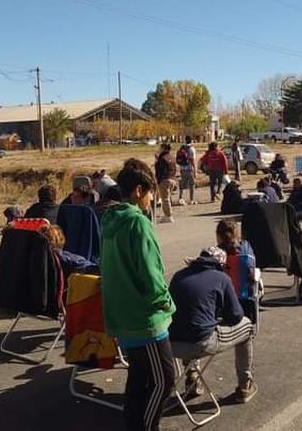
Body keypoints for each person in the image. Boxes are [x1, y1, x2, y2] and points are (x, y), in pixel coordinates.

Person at [100, 158, 176, 431]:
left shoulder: (108, 219)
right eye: (151, 192)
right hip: (145, 319)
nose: (153, 198)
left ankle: (134, 423)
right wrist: (166, 303)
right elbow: (151, 273)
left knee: (139, 376)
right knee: (165, 379)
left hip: (121, 315)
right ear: (139, 191)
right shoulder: (137, 223)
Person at [168, 246, 258, 404]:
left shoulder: (178, 276)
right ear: (221, 265)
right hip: (201, 343)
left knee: (190, 323)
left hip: (171, 344)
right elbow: (236, 315)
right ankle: (245, 385)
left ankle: (193, 379)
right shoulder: (221, 278)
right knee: (247, 326)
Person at [155, 143, 177, 223]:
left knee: (165, 198)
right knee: (167, 197)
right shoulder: (172, 157)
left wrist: (158, 180)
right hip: (172, 178)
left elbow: (160, 170)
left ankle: (168, 215)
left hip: (164, 179)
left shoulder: (162, 158)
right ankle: (167, 214)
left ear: (163, 148)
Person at [177, 135, 198, 206]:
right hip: (190, 169)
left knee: (183, 184)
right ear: (191, 140)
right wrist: (195, 170)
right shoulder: (192, 149)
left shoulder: (182, 148)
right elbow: (192, 160)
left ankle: (181, 198)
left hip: (182, 169)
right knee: (192, 185)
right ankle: (191, 199)